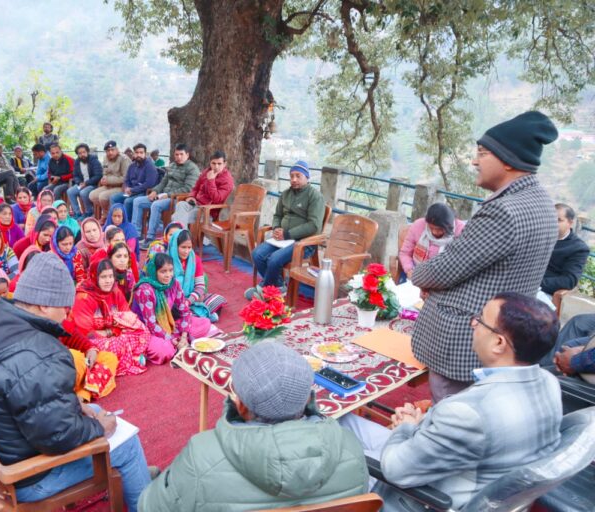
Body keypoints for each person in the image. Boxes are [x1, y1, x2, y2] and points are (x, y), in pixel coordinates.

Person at [0, 252, 152, 509]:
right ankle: (145, 497)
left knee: (95, 410)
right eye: (64, 307)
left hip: (1, 443)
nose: (67, 315)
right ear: (44, 305)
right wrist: (101, 428)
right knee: (127, 443)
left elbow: (26, 395)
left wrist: (76, 406)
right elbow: (58, 436)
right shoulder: (40, 353)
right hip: (29, 474)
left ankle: (137, 479)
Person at [342, 293, 562, 512]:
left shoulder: (468, 412)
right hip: (456, 465)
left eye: (481, 319)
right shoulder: (549, 383)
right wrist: (418, 427)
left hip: (420, 496)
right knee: (342, 420)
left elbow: (395, 471)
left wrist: (406, 427)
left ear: (498, 342)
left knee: (331, 453)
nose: (472, 322)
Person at [410, 111, 559, 402]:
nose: (475, 161)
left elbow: (446, 268)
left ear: (508, 159)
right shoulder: (540, 202)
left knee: (452, 414)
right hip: (503, 336)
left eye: (482, 153)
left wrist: (419, 275)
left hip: (466, 341)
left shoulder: (504, 211)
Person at [139, 341, 368, 511]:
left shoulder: (202, 456)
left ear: (240, 406)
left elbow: (148, 506)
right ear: (308, 400)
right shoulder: (350, 448)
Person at [247, 161, 325, 298]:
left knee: (273, 259)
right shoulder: (286, 194)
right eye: (292, 176)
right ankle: (278, 286)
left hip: (303, 242)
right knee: (257, 254)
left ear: (307, 177)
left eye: (298, 176)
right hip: (282, 240)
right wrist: (277, 228)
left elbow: (314, 225)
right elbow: (277, 215)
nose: (294, 179)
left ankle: (264, 288)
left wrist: (288, 234)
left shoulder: (315, 196)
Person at [64, 257, 150, 377]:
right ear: (94, 277)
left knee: (143, 331)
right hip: (91, 343)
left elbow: (128, 318)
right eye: (103, 277)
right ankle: (129, 359)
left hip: (115, 335)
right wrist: (112, 332)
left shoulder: (114, 291)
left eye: (110, 276)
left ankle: (128, 358)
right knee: (119, 344)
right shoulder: (83, 297)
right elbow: (86, 333)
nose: (108, 281)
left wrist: (112, 331)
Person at [132, 253, 214, 364]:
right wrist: (171, 340)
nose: (168, 275)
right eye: (163, 271)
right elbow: (151, 324)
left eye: (170, 270)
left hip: (169, 325)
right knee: (165, 351)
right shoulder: (145, 290)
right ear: (154, 271)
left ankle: (180, 340)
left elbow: (185, 311)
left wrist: (184, 336)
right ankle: (171, 343)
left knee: (205, 323)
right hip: (148, 331)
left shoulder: (174, 283)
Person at [134, 144, 200, 249]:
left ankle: (150, 237)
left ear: (187, 155)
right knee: (138, 201)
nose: (178, 157)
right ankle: (136, 235)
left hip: (177, 199)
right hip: (163, 196)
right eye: (176, 154)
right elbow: (163, 182)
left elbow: (188, 189)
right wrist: (155, 191)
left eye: (181, 154)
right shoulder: (172, 165)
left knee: (156, 205)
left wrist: (167, 195)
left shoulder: (192, 169)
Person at [169, 229, 227, 321]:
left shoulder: (195, 260)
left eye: (189, 247)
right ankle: (197, 317)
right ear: (175, 246)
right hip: (172, 301)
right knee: (172, 312)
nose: (186, 251)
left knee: (219, 299)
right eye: (183, 247)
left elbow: (200, 287)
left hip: (190, 300)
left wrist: (188, 301)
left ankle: (192, 317)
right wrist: (179, 302)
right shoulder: (167, 260)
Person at [398, 203, 466, 277]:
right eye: (431, 228)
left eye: (439, 229)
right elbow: (405, 253)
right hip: (417, 274)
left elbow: (462, 263)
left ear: (448, 226)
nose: (434, 232)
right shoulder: (419, 225)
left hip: (446, 277)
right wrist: (409, 269)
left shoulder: (461, 231)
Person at [171, 150, 234, 229]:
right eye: (213, 163)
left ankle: (181, 237)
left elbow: (217, 199)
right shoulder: (206, 172)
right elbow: (196, 188)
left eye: (219, 164)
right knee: (181, 205)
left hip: (208, 210)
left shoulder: (227, 179)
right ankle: (182, 236)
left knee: (177, 218)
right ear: (210, 163)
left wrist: (211, 181)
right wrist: (191, 196)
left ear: (224, 164)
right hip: (196, 204)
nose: (216, 166)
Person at [540, 203, 590, 296]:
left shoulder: (578, 248)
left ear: (570, 223)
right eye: (551, 218)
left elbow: (568, 281)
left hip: (546, 291)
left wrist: (537, 283)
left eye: (559, 220)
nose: (553, 222)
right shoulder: (540, 235)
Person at [110, 143, 159, 220]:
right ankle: (116, 221)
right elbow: (127, 180)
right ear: (133, 154)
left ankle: (127, 224)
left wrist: (133, 190)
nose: (139, 155)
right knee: (114, 198)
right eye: (137, 153)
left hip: (143, 192)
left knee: (128, 202)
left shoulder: (150, 166)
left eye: (141, 153)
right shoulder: (132, 165)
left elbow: (149, 184)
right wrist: (126, 188)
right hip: (131, 192)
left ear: (145, 154)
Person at [89, 140, 130, 215]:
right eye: (108, 151)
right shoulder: (105, 158)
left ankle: (107, 216)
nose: (110, 152)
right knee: (92, 195)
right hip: (108, 186)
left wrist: (108, 180)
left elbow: (125, 178)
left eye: (112, 150)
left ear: (117, 150)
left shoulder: (124, 159)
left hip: (121, 187)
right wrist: (104, 178)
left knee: (103, 197)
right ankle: (109, 214)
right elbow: (104, 171)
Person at [68, 143, 103, 219]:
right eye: (80, 153)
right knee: (70, 191)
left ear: (87, 152)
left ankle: (89, 212)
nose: (82, 155)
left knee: (83, 192)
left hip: (93, 184)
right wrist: (79, 182)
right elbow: (75, 175)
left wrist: (86, 183)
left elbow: (98, 175)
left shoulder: (94, 160)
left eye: (84, 152)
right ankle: (77, 213)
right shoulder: (77, 162)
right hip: (82, 184)